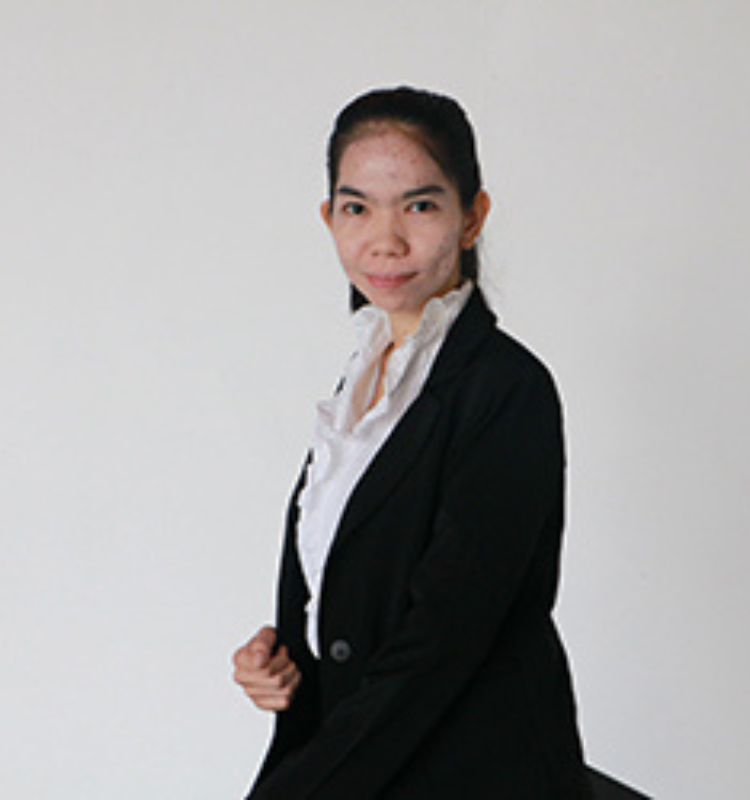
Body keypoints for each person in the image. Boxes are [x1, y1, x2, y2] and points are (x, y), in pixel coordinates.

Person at [233, 86, 592, 799]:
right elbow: (356, 584)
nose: (385, 240)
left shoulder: (506, 389)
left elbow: (444, 642)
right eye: (357, 208)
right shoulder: (363, 385)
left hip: (474, 776)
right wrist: (286, 657)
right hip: (370, 763)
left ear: (472, 217)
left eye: (420, 206)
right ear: (329, 218)